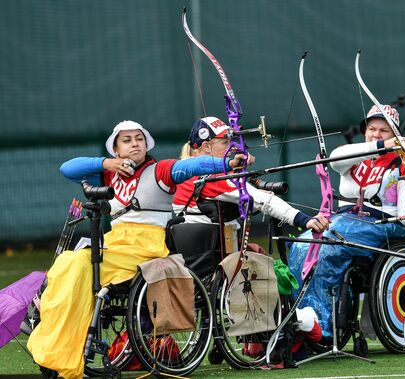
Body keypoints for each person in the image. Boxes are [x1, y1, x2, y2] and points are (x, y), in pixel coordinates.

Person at [27, 120, 249, 378]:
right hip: (115, 244)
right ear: (116, 149)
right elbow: (67, 169)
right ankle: (59, 350)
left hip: (146, 247)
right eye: (127, 140)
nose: (135, 143)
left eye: (139, 139)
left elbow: (191, 165)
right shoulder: (109, 174)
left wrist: (226, 164)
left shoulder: (160, 170)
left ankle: (63, 353)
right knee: (67, 262)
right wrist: (105, 164)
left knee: (76, 264)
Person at [288, 104, 405, 337]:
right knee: (301, 245)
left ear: (395, 135)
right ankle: (299, 317)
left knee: (329, 248)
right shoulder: (354, 154)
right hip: (342, 220)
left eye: (384, 131)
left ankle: (325, 327)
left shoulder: (401, 164)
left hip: (379, 225)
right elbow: (334, 159)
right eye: (372, 129)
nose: (376, 134)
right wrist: (379, 146)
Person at [173, 116, 330, 241]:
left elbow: (215, 207)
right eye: (224, 142)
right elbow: (262, 200)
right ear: (206, 146)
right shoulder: (210, 178)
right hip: (213, 254)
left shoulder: (185, 170)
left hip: (201, 250)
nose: (232, 147)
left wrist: (250, 198)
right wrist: (304, 220)